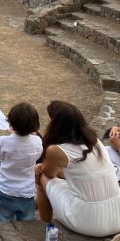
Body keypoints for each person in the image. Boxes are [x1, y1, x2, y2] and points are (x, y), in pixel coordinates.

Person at [35, 100, 120, 237]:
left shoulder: (56, 150)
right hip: (117, 215)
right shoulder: (94, 141)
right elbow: (77, 173)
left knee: (41, 177)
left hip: (89, 221)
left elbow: (49, 174)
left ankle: (47, 227)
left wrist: (39, 167)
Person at [0, 102, 42, 221]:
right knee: (27, 221)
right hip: (27, 192)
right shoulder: (37, 142)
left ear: (10, 123)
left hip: (5, 190)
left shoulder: (3, 141)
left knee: (3, 219)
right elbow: (36, 153)